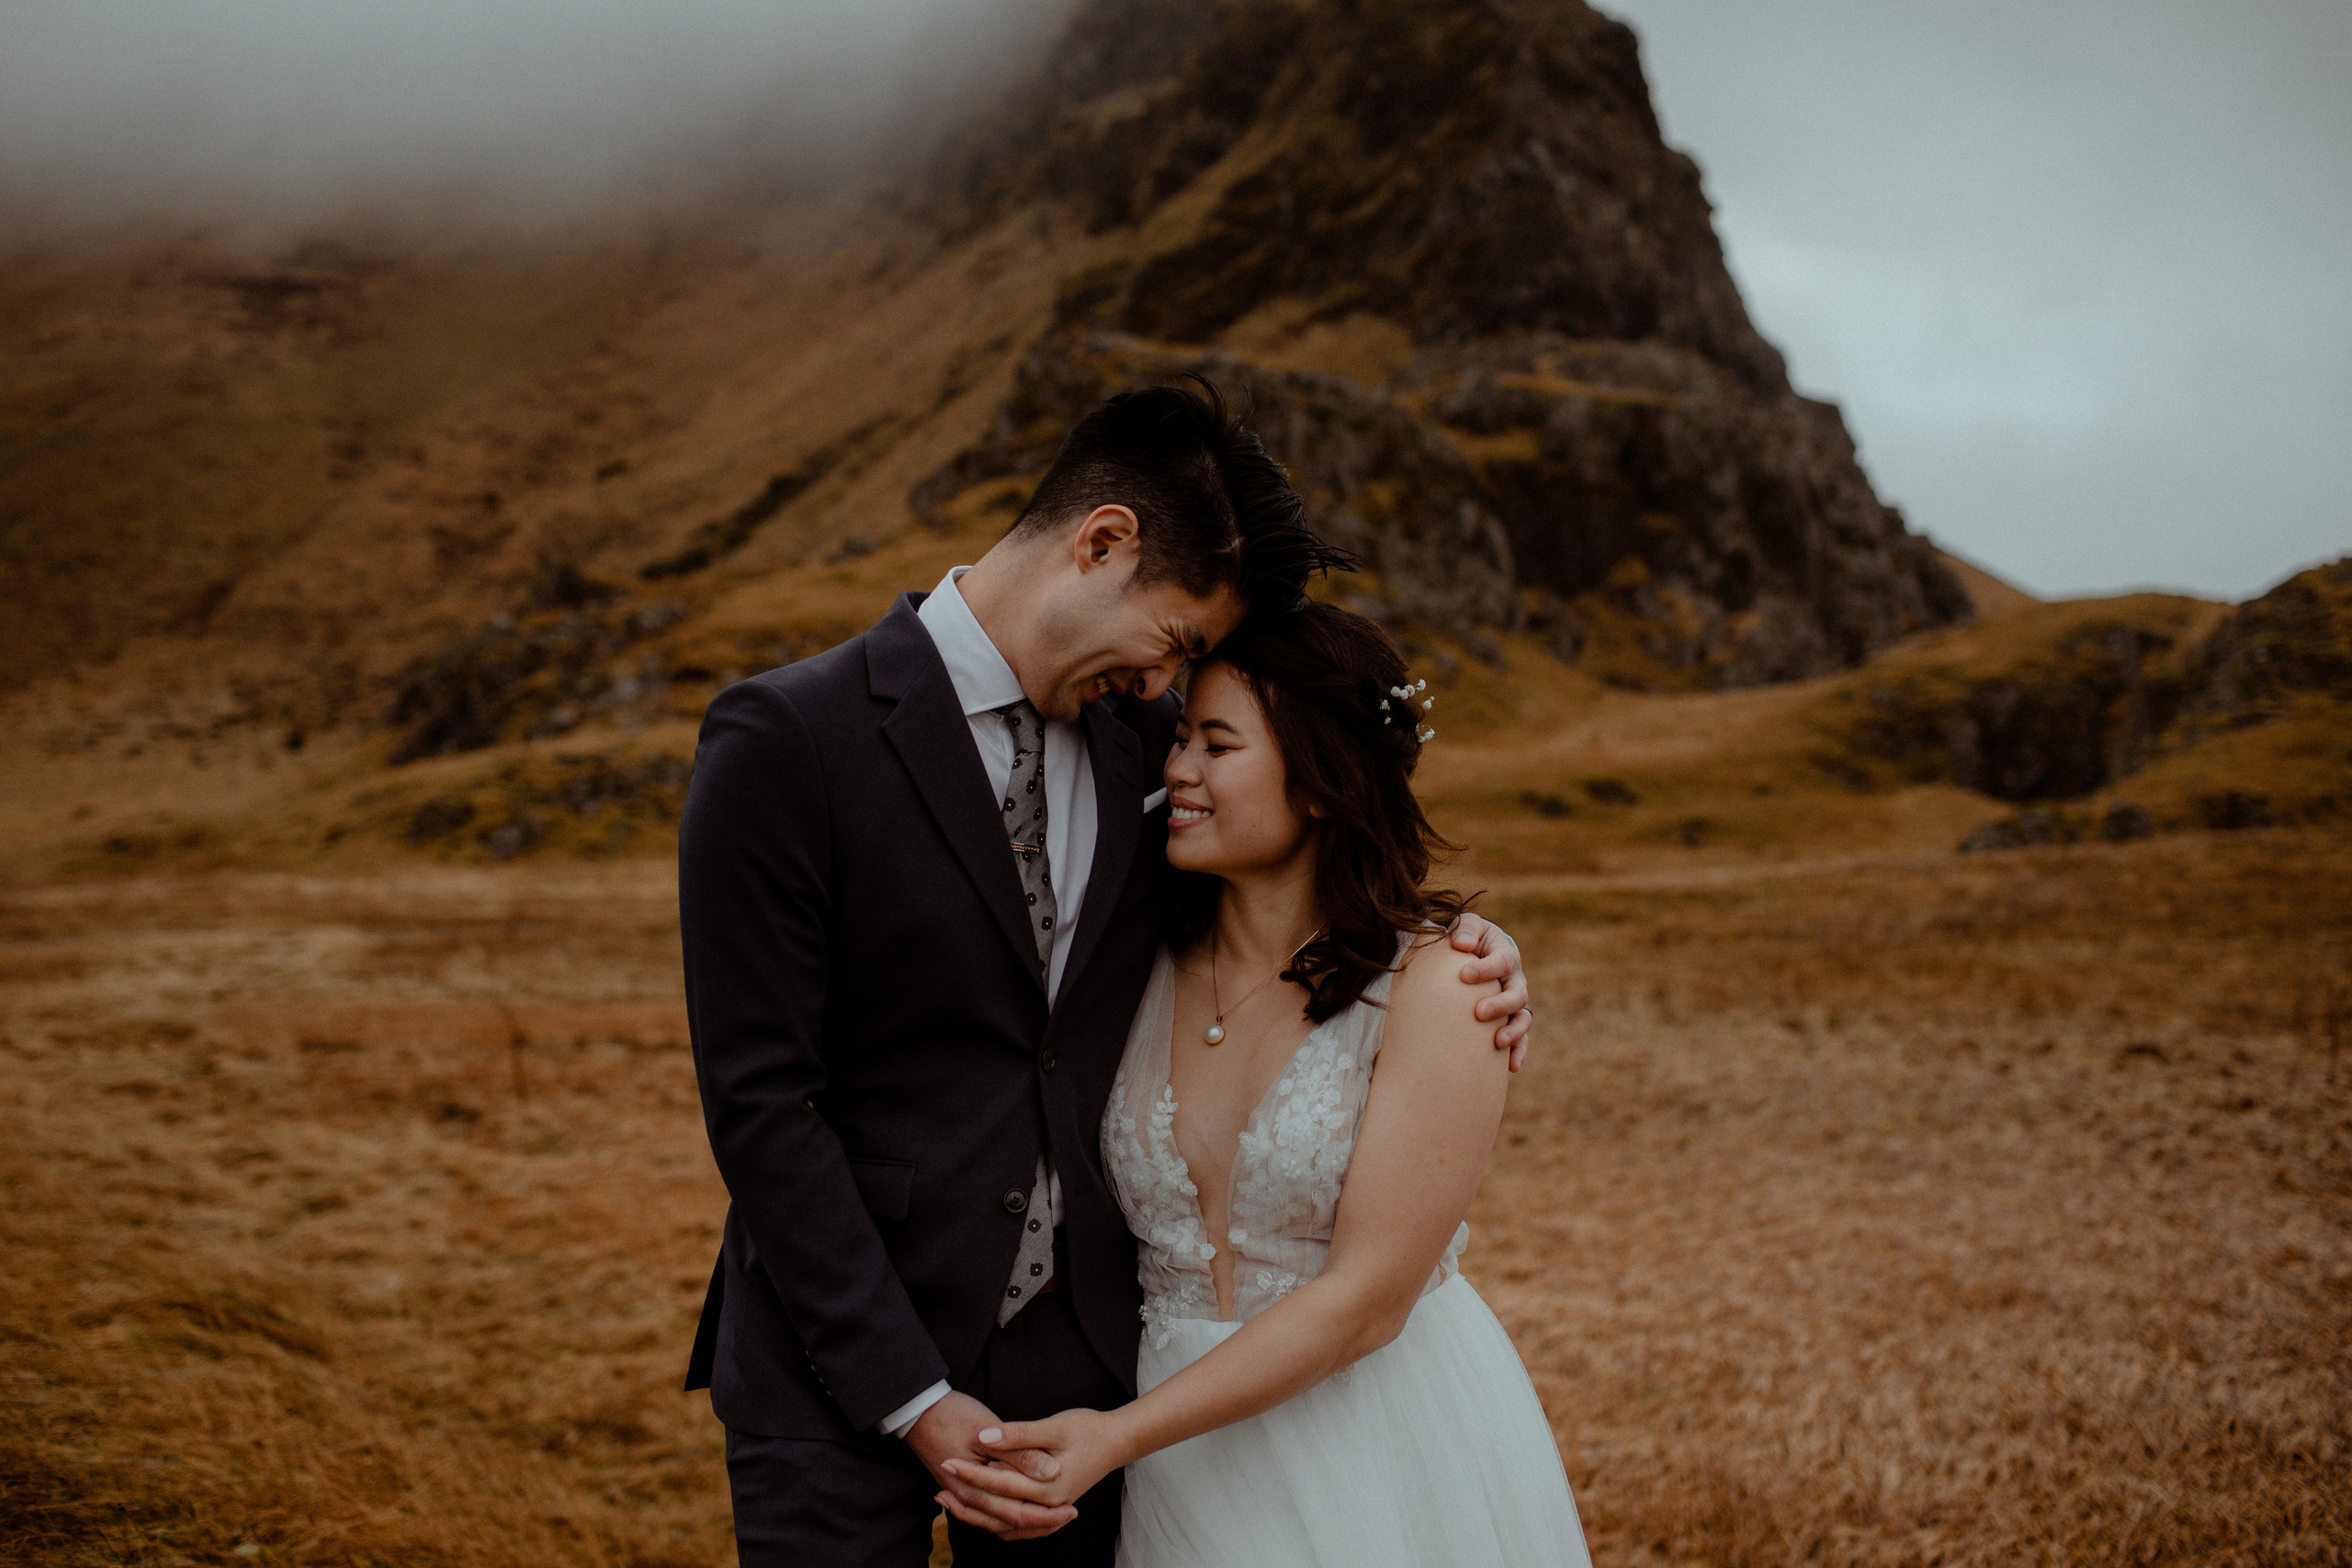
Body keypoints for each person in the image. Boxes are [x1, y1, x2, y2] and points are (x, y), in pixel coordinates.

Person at [677, 379, 1534, 1567]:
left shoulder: (1147, 744)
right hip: (839, 1364)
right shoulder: (788, 738)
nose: (1164, 687)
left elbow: (1291, 879)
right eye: (1175, 642)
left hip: (1084, 1375)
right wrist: (911, 1396)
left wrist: (1460, 956)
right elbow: (762, 1101)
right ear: (1102, 542)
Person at [937, 601, 1590, 1566]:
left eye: (1217, 745)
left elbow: (1368, 1299)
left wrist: (1116, 1437)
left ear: (1323, 782)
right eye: (1181, 739)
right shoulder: (1128, 961)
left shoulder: (1444, 986)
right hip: (1172, 1458)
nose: (1177, 769)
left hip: (1370, 1440)